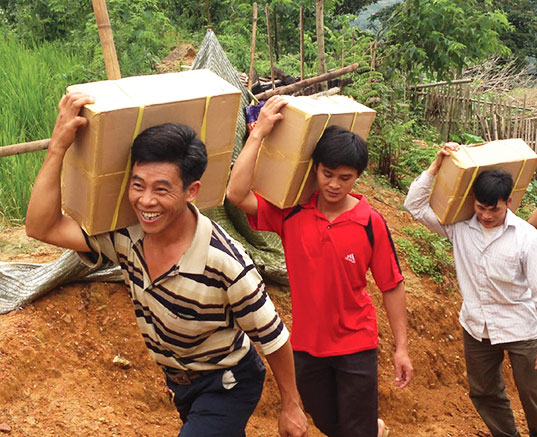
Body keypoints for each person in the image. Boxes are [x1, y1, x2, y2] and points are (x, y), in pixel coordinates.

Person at [25, 92, 308, 437]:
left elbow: (274, 338)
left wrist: (291, 406)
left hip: (228, 381)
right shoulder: (126, 238)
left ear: (192, 191)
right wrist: (58, 147)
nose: (146, 201)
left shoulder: (226, 264)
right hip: (180, 382)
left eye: (162, 189)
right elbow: (43, 226)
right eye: (138, 185)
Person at [226, 96, 413, 437]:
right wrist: (258, 135)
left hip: (357, 343)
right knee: (328, 422)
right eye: (327, 174)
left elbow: (391, 285)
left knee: (353, 431)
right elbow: (237, 194)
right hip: (306, 346)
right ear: (315, 168)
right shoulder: (292, 212)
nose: (334, 185)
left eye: (345, 177)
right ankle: (374, 429)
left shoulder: (370, 223)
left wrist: (401, 348)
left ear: (357, 176)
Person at [404, 144, 537, 437]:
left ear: (509, 202)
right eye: (481, 207)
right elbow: (414, 206)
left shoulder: (527, 238)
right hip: (476, 326)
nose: (487, 215)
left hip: (522, 328)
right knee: (483, 391)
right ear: (473, 201)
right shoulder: (459, 228)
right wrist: (436, 165)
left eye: (495, 209)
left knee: (531, 393)